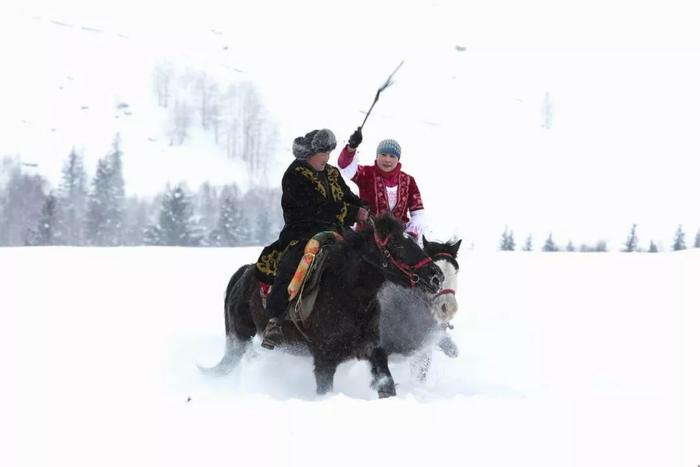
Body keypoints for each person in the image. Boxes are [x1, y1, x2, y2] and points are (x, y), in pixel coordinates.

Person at [255, 128, 369, 350]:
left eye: (329, 153)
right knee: (292, 263)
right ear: (309, 153)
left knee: (366, 254)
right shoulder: (294, 174)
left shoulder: (333, 173)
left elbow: (349, 197)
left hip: (337, 232)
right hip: (302, 232)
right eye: (323, 153)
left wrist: (363, 206)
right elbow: (315, 208)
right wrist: (352, 213)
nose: (327, 158)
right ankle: (275, 320)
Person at [337, 127, 427, 242]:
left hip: (398, 241)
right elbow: (345, 166)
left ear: (398, 159)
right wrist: (351, 148)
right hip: (367, 238)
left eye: (392, 156)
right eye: (383, 154)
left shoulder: (409, 180)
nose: (387, 160)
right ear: (377, 156)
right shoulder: (366, 173)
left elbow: (418, 213)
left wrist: (410, 234)